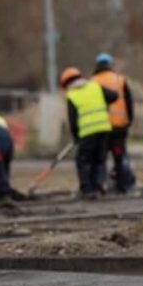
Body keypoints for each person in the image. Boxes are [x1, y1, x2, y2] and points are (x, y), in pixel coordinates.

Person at [60, 66, 117, 199]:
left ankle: (87, 189)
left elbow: (72, 119)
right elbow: (114, 96)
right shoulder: (95, 87)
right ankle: (99, 186)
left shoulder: (72, 95)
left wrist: (75, 136)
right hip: (104, 129)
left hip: (87, 132)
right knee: (100, 159)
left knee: (83, 161)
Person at [92, 52, 136, 193]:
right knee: (120, 156)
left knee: (100, 159)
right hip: (119, 128)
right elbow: (129, 102)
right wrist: (129, 121)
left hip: (100, 128)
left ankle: (100, 186)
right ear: (110, 65)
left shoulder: (93, 81)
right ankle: (124, 186)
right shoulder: (120, 80)